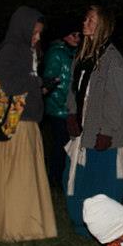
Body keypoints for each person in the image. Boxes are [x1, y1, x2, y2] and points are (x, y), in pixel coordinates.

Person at [0, 6, 57, 242]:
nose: (37, 37)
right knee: (15, 176)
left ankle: (14, 221)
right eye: (34, 32)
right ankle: (15, 224)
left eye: (39, 33)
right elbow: (8, 84)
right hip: (13, 122)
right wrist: (36, 82)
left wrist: (39, 86)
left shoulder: (24, 50)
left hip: (23, 120)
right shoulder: (11, 49)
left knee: (15, 175)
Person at [63, 5, 123, 236]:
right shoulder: (83, 56)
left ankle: (105, 228)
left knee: (102, 183)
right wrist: (72, 113)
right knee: (79, 178)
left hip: (102, 136)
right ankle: (81, 223)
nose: (85, 23)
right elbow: (74, 89)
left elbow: (115, 100)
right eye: (86, 19)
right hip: (84, 132)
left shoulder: (112, 60)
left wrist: (107, 131)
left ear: (102, 25)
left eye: (90, 20)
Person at [41, 25, 80, 187]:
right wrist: (63, 104)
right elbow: (50, 80)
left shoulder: (73, 52)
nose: (77, 38)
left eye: (78, 35)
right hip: (59, 108)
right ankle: (55, 178)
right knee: (61, 144)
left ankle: (64, 177)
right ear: (65, 36)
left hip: (70, 107)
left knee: (69, 144)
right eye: (74, 34)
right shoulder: (56, 53)